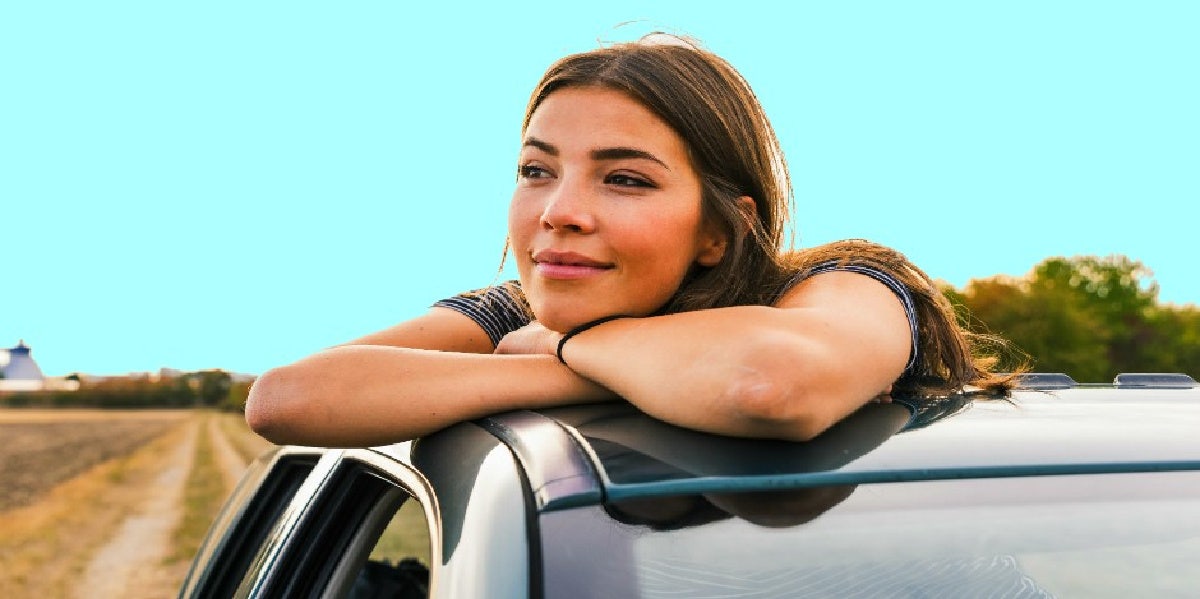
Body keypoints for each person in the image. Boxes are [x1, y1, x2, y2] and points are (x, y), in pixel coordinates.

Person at [245, 34, 1008, 448]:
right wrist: (575, 365)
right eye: (537, 169)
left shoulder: (848, 282)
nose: (560, 212)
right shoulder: (515, 315)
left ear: (720, 229)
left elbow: (771, 383)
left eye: (627, 179)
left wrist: (567, 351)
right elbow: (288, 398)